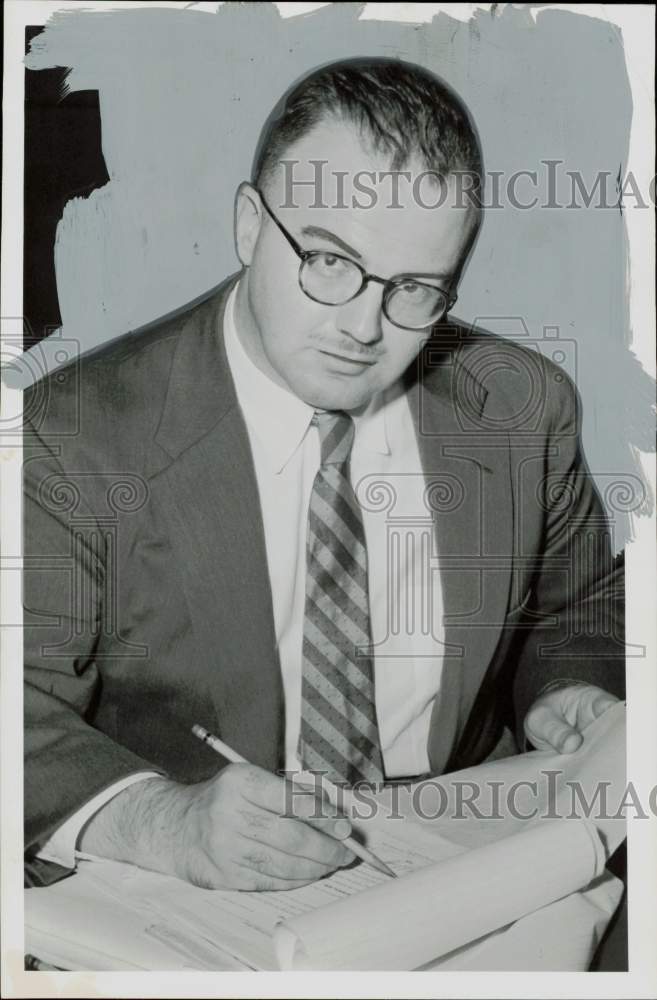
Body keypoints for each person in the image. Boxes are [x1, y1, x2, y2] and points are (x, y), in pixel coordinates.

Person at [24, 58, 624, 893]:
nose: (361, 327)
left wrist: (564, 693)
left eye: (414, 288)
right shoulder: (73, 437)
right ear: (247, 224)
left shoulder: (523, 408)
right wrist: (162, 821)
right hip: (196, 897)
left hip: (466, 862)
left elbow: (577, 612)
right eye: (329, 261)